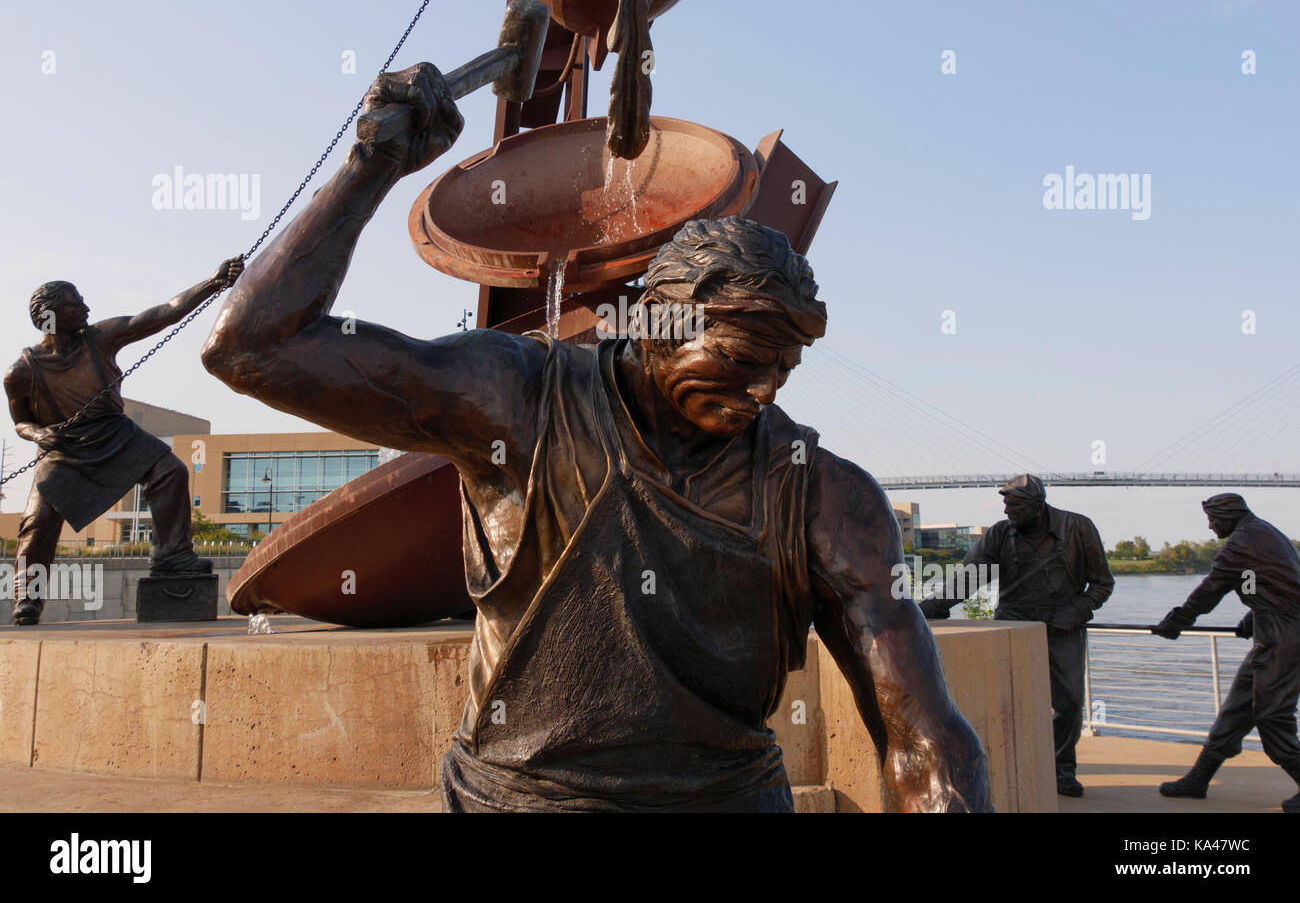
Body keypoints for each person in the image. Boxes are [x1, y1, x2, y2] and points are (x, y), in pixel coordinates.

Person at [201, 61, 991, 813]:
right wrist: (371, 166)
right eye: (743, 360)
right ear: (655, 320)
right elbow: (251, 349)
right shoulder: (516, 402)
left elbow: (925, 737)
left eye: (784, 369)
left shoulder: (824, 496)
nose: (764, 392)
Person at [5, 260, 243, 624]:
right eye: (76, 303)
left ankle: (172, 555)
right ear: (50, 313)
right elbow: (21, 421)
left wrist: (213, 282)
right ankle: (29, 599)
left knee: (170, 471)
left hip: (114, 431)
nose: (86, 308)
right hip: (63, 449)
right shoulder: (21, 371)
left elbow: (162, 313)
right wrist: (39, 433)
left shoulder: (99, 339)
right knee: (38, 520)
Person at [920, 474, 1113, 797]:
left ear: (1038, 506)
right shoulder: (1000, 533)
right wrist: (932, 606)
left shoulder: (1078, 528)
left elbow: (1102, 583)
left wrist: (1075, 612)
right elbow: (970, 577)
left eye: (1015, 504)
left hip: (1061, 625)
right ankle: (1001, 763)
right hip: (1012, 621)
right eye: (1006, 503)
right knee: (1004, 700)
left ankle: (1062, 769)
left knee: (1068, 701)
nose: (1008, 510)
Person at [1153, 493, 1300, 813]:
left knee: (1273, 715)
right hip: (1272, 632)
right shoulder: (1263, 532)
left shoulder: (1242, 543)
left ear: (1229, 516)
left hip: (1285, 637)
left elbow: (1212, 587)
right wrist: (1255, 614)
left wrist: (1178, 620)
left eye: (1213, 519)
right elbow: (1273, 580)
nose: (1210, 525)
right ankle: (1198, 779)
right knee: (1237, 709)